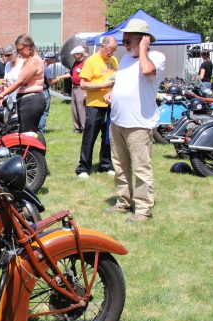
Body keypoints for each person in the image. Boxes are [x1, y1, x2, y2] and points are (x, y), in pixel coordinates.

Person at [104, 19, 165, 223]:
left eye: (128, 40)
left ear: (143, 39)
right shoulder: (125, 59)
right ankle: (123, 201)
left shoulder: (155, 57)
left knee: (141, 168)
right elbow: (123, 83)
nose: (125, 44)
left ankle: (143, 208)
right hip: (118, 121)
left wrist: (144, 49)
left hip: (139, 124)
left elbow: (147, 71)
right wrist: (113, 94)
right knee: (120, 166)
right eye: (124, 41)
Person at [74, 36, 118, 179]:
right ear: (102, 46)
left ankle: (105, 165)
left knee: (108, 136)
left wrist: (111, 91)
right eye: (110, 50)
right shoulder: (91, 61)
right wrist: (102, 86)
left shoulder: (114, 61)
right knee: (90, 136)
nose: (111, 53)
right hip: (94, 105)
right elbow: (83, 84)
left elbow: (116, 81)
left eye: (114, 50)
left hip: (110, 105)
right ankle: (83, 167)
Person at [0, 34, 45, 138]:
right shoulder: (30, 60)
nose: (19, 53)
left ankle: (32, 154)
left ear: (28, 46)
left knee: (28, 135)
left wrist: (0, 95)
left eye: (19, 49)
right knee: (26, 133)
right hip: (27, 100)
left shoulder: (34, 61)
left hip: (31, 100)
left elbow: (19, 81)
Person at [38, 51, 69, 133]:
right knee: (44, 113)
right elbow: (50, 82)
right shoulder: (46, 69)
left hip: (37, 92)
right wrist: (60, 78)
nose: (55, 60)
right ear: (50, 59)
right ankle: (41, 131)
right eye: (54, 58)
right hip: (44, 92)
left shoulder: (39, 66)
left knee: (38, 112)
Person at [68, 46, 88, 133]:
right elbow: (71, 73)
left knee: (81, 108)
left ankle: (84, 127)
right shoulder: (76, 62)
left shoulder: (86, 62)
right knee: (75, 108)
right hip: (74, 87)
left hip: (81, 88)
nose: (73, 56)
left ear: (80, 54)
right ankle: (77, 127)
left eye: (74, 54)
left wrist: (86, 91)